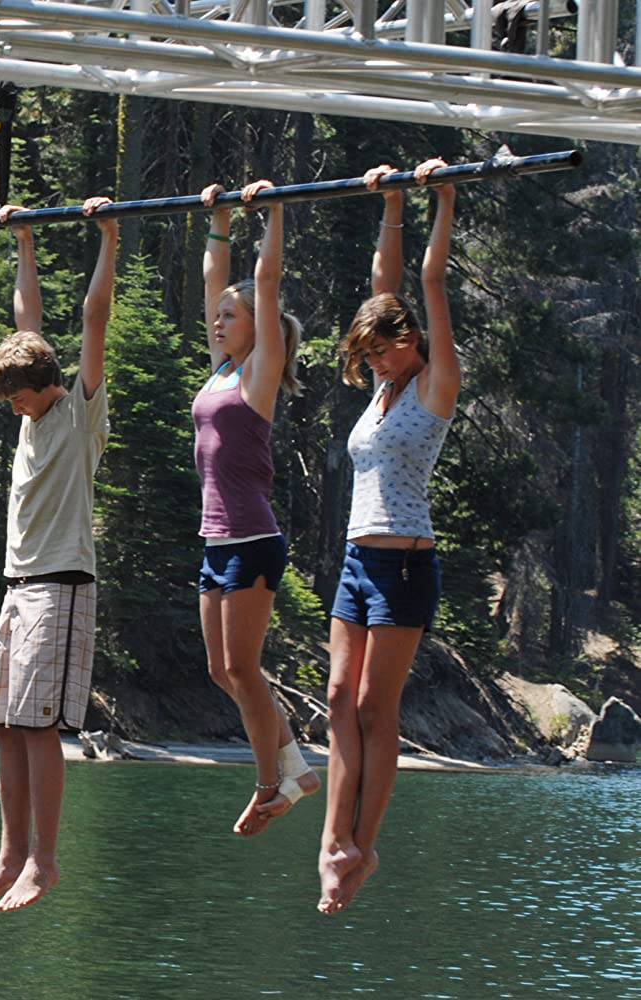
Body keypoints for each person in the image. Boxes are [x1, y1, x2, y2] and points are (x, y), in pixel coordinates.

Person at [0, 197, 116, 911]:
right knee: (2, 722)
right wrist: (23, 240)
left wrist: (107, 236)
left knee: (37, 726)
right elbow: (27, 314)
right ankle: (8, 852)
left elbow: (92, 322)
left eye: (17, 403)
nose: (14, 413)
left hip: (60, 580)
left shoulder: (78, 409)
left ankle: (44, 861)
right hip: (18, 585)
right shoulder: (27, 394)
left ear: (38, 389)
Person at [319, 159, 459, 913]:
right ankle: (333, 837)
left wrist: (439, 198)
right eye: (367, 352)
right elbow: (387, 281)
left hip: (404, 564)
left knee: (376, 706)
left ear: (412, 342)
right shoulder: (381, 390)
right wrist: (392, 204)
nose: (375, 358)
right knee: (339, 696)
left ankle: (362, 847)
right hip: (354, 560)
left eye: (384, 347)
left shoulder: (437, 384)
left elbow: (425, 286)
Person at [195, 180, 318, 836]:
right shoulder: (219, 368)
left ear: (258, 328)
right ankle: (296, 766)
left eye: (230, 317)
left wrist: (270, 212)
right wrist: (217, 221)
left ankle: (270, 784)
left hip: (250, 540)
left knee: (242, 666)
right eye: (217, 317)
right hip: (215, 541)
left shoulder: (256, 372)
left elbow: (263, 282)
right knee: (222, 670)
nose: (219, 322)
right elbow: (220, 275)